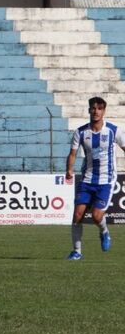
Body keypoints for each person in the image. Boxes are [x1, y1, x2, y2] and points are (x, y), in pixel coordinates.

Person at [65, 96, 125, 260]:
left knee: (98, 216)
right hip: (86, 179)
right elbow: (72, 153)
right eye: (93, 108)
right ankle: (77, 251)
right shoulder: (81, 132)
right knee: (77, 215)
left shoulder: (113, 130)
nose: (96, 111)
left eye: (99, 108)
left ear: (104, 111)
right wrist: (69, 170)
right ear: (89, 110)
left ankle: (104, 232)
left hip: (106, 180)